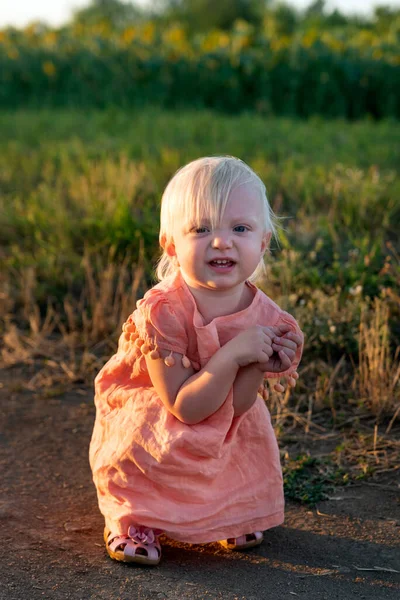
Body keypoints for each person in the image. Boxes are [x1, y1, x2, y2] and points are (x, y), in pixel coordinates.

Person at [89, 156, 304, 566]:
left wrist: (260, 361)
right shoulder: (163, 311)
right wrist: (236, 353)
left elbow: (236, 407)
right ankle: (134, 516)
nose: (221, 242)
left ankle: (222, 512)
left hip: (218, 414)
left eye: (239, 229)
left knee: (243, 432)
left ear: (262, 242)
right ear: (170, 244)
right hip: (162, 411)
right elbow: (185, 408)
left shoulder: (266, 316)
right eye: (201, 229)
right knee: (152, 443)